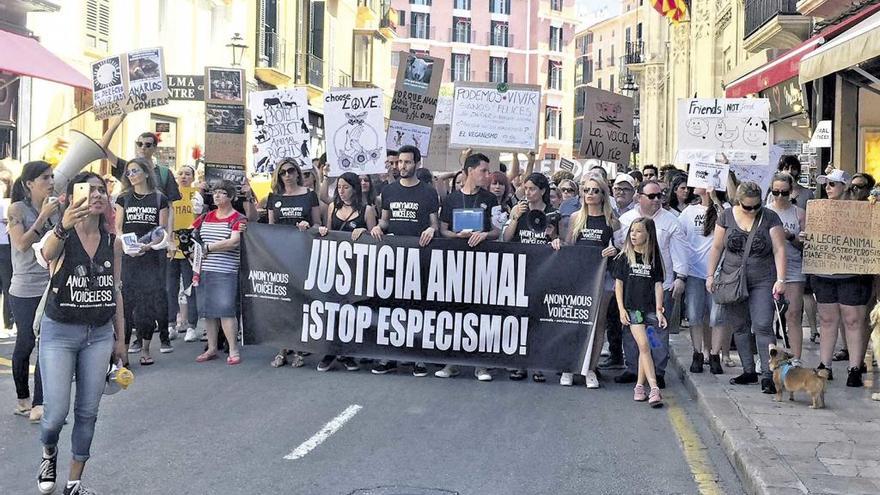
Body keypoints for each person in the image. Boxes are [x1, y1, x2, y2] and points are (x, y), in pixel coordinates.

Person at [37, 172, 125, 495]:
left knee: (88, 411)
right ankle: (49, 451)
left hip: (99, 334)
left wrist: (120, 340)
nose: (96, 195)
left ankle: (73, 483)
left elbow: (116, 291)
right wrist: (63, 224)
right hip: (59, 332)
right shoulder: (63, 235)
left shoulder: (113, 243)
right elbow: (46, 253)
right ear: (74, 196)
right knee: (55, 413)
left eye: (102, 190)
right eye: (88, 190)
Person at [706, 181, 787, 393]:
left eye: (755, 206)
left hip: (763, 277)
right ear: (738, 202)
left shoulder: (770, 217)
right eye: (747, 207)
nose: (752, 210)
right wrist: (710, 275)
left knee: (762, 325)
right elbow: (716, 247)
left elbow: (779, 249)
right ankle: (748, 370)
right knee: (740, 326)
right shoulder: (726, 216)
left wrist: (781, 279)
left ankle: (768, 375)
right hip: (732, 278)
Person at [370, 145, 439, 376]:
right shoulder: (389, 191)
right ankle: (390, 357)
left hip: (419, 257)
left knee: (416, 308)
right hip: (394, 257)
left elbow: (434, 224)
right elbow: (385, 220)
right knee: (391, 308)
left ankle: (417, 358)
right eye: (399, 162)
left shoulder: (428, 192)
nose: (401, 166)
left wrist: (431, 230)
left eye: (407, 162)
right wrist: (378, 227)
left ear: (417, 164)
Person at [616, 180, 689, 389]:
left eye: (660, 195)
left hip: (660, 287)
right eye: (652, 196)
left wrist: (680, 277)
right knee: (630, 330)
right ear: (639, 197)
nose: (657, 200)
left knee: (656, 332)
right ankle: (632, 368)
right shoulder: (626, 220)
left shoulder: (671, 222)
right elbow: (619, 247)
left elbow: (680, 252)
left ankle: (657, 370)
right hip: (632, 289)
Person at [435, 153, 500, 381]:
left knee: (479, 313)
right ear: (470, 171)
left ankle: (480, 365)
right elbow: (442, 229)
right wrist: (456, 235)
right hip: (455, 262)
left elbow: (497, 230)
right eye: (483, 170)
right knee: (453, 312)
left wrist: (484, 234)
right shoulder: (452, 199)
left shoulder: (490, 199)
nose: (487, 175)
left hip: (481, 262)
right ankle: (451, 362)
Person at [7, 161, 61, 422]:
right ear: (29, 183)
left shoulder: (56, 210)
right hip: (25, 287)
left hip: (49, 283)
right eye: (44, 178)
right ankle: (22, 399)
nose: (50, 182)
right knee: (26, 341)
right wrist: (42, 217)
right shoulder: (17, 209)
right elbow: (20, 244)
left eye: (51, 177)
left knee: (46, 342)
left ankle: (39, 402)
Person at [554, 177, 620, 388]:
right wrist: (557, 242)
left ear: (603, 195)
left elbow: (621, 249)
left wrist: (614, 250)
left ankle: (590, 368)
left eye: (595, 190)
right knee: (576, 321)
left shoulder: (612, 219)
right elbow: (569, 245)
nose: (590, 194)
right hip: (581, 276)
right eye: (587, 190)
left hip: (604, 276)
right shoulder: (576, 217)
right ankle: (570, 367)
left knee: (598, 324)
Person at [810, 169, 871, 387]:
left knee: (853, 319)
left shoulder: (865, 211)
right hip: (824, 272)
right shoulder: (818, 209)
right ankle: (824, 365)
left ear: (845, 187)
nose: (827, 188)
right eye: (826, 184)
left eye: (833, 184)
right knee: (827, 320)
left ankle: (854, 367)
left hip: (853, 273)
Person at [315, 172, 378, 372]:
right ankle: (331, 351)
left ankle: (348, 353)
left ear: (355, 189)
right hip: (335, 266)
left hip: (356, 268)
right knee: (332, 308)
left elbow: (376, 236)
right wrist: (324, 231)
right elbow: (328, 231)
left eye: (346, 187)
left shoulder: (367, 210)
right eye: (339, 187)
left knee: (351, 309)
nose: (341, 191)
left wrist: (366, 233)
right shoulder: (333, 207)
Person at [115, 158, 172, 365]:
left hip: (150, 258)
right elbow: (118, 227)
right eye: (128, 173)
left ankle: (146, 349)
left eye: (135, 171)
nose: (131, 175)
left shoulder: (159, 199)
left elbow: (161, 230)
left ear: (146, 173)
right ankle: (124, 351)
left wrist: (148, 246)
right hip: (129, 258)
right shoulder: (123, 198)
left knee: (147, 305)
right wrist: (126, 245)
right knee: (126, 305)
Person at [503, 172, 559, 382]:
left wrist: (553, 237)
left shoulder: (553, 213)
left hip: (543, 272)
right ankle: (519, 364)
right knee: (519, 319)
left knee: (537, 320)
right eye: (525, 188)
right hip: (520, 271)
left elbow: (559, 241)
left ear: (543, 191)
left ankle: (537, 365)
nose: (528, 192)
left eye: (532, 189)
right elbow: (507, 238)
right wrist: (515, 217)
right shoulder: (519, 210)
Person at [267, 159, 322, 368]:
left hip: (302, 255)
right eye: (283, 172)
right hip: (280, 256)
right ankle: (281, 349)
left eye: (291, 171)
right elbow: (271, 227)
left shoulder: (309, 195)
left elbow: (319, 224)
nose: (287, 175)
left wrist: (309, 225)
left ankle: (299, 349)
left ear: (298, 173)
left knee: (299, 303)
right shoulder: (274, 197)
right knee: (281, 304)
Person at [192, 180, 247, 365]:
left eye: (222, 192)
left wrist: (207, 248)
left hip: (226, 270)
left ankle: (233, 349)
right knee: (208, 312)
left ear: (231, 196)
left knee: (226, 311)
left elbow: (234, 241)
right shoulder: (206, 217)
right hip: (204, 269)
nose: (217, 195)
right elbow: (192, 233)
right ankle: (212, 347)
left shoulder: (238, 218)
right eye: (215, 192)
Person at [614, 218, 666, 408]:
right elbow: (618, 285)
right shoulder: (624, 256)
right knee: (643, 346)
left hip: (650, 311)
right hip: (633, 310)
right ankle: (654, 388)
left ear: (648, 234)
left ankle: (639, 386)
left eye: (638, 231)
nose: (634, 235)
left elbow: (658, 284)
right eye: (632, 231)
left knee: (651, 346)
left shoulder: (653, 258)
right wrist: (621, 309)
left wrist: (660, 310)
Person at [678, 187, 727, 374]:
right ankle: (697, 353)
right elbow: (679, 235)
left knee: (717, 317)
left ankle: (715, 355)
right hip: (694, 272)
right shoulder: (689, 212)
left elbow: (728, 223)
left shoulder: (724, 208)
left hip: (718, 272)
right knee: (694, 315)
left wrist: (714, 198)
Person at [766, 173, 806, 365]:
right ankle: (770, 356)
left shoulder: (798, 213)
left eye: (784, 192)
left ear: (791, 192)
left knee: (793, 314)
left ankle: (796, 357)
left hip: (793, 267)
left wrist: (791, 237)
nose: (780, 196)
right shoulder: (765, 211)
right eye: (776, 192)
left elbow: (806, 246)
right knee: (767, 315)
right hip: (769, 269)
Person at [167, 165, 203, 343]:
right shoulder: (170, 195)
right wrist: (169, 242)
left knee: (190, 288)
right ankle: (171, 324)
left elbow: (198, 219)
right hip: (172, 248)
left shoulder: (196, 194)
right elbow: (168, 221)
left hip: (189, 249)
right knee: (170, 288)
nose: (183, 177)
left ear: (193, 177)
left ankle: (191, 326)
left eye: (187, 174)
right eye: (180, 173)